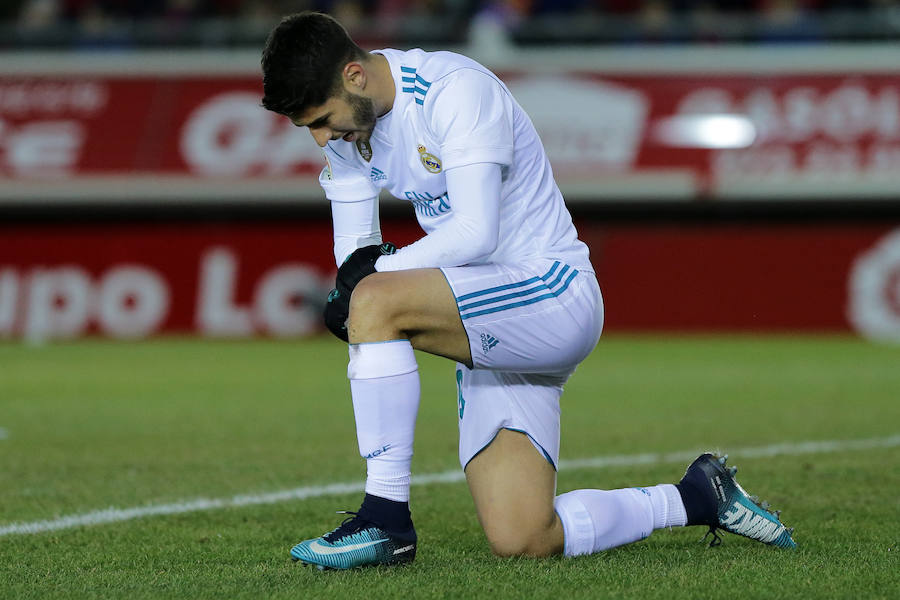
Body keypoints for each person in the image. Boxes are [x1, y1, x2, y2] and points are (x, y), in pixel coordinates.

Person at [260, 11, 796, 570]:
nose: (323, 138)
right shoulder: (351, 133)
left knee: (375, 299)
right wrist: (356, 288)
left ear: (354, 76)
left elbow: (473, 232)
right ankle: (696, 497)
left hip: (551, 292)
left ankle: (384, 518)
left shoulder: (452, 91)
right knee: (523, 535)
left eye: (322, 120)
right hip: (491, 319)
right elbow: (356, 259)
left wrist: (368, 288)